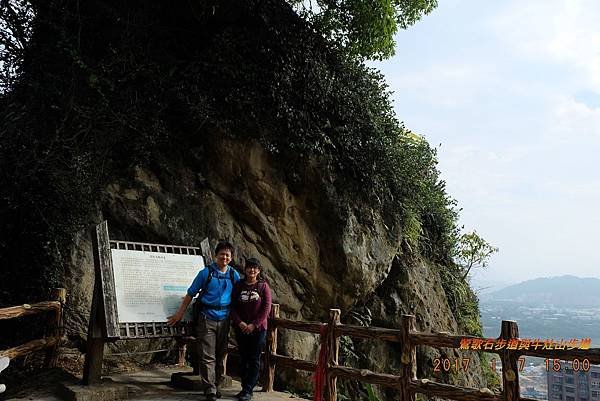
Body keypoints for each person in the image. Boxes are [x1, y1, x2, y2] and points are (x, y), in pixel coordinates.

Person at [168, 241, 240, 401]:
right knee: (208, 355)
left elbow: (239, 296)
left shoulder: (233, 275)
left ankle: (216, 385)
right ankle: (210, 390)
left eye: (228, 255)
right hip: (207, 317)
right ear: (216, 255)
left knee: (221, 354)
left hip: (225, 318)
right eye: (222, 254)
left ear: (231, 257)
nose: (225, 257)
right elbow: (190, 293)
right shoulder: (206, 273)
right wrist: (180, 313)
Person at [230, 257, 272, 401]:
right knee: (243, 358)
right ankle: (244, 387)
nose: (252, 270)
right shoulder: (239, 285)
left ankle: (248, 389)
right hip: (241, 328)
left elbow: (266, 308)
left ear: (258, 270)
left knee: (254, 359)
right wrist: (240, 322)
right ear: (245, 269)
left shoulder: (263, 286)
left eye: (255, 268)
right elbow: (233, 306)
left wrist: (254, 324)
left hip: (258, 329)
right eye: (249, 267)